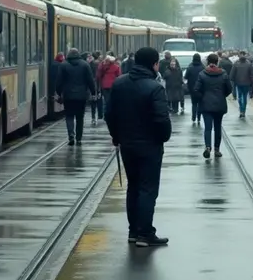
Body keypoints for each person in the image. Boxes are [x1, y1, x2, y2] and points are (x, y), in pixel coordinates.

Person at [105, 47, 171, 247]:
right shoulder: (155, 88)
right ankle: (145, 233)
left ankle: (133, 231)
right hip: (150, 145)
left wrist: (117, 136)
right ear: (154, 64)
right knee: (148, 189)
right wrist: (163, 137)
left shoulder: (119, 83)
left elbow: (109, 114)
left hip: (127, 144)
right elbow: (161, 119)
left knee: (133, 186)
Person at [194, 53, 233, 159]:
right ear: (217, 62)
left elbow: (196, 89)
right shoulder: (223, 74)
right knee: (217, 127)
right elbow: (229, 89)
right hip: (219, 105)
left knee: (207, 128)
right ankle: (217, 149)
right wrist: (222, 95)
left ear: (207, 62)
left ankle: (207, 147)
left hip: (206, 105)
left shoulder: (202, 74)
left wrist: (202, 98)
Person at [56, 47, 96, 146]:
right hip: (81, 96)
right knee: (80, 117)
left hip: (68, 95)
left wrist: (59, 92)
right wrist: (93, 92)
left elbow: (59, 81)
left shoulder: (63, 65)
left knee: (69, 116)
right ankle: (78, 138)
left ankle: (71, 136)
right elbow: (90, 80)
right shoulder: (85, 65)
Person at [228, 50, 253, 118]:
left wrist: (232, 80)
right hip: (247, 83)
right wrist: (252, 81)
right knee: (244, 97)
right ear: (245, 55)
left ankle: (241, 110)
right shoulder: (249, 64)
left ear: (239, 55)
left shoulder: (236, 64)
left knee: (240, 97)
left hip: (238, 83)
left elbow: (232, 74)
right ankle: (243, 110)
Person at [96, 53, 121, 118]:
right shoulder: (116, 67)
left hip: (105, 86)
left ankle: (106, 114)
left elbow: (98, 76)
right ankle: (113, 113)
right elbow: (119, 76)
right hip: (114, 85)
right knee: (113, 100)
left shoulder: (102, 66)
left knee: (106, 100)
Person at [184, 53, 205, 125]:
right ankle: (199, 118)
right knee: (200, 104)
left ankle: (193, 117)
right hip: (201, 88)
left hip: (192, 88)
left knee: (194, 104)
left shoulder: (190, 67)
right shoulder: (202, 67)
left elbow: (186, 77)